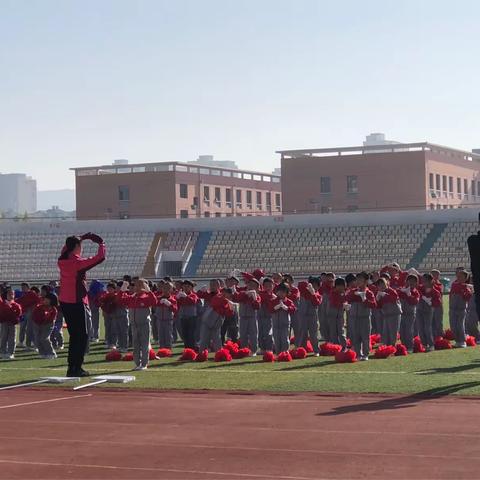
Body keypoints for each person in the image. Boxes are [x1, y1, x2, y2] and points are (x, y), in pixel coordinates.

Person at [58, 233, 106, 377]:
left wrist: (80, 238)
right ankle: (77, 368)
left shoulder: (62, 260)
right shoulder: (77, 264)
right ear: (77, 247)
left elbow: (66, 248)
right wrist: (101, 244)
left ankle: (71, 368)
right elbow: (100, 258)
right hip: (77, 301)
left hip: (65, 301)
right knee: (82, 336)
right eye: (81, 246)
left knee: (74, 336)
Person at [118, 278, 157, 371]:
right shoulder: (132, 297)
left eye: (140, 285)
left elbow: (154, 301)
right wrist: (122, 290)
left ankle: (144, 364)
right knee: (136, 345)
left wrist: (149, 291)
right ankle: (137, 363)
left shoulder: (146, 297)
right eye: (136, 285)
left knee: (144, 345)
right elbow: (120, 300)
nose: (137, 287)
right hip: (134, 325)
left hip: (144, 324)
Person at [346, 272, 376, 361]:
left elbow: (374, 305)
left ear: (366, 281)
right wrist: (347, 303)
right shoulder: (353, 291)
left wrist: (365, 300)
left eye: (361, 279)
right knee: (355, 337)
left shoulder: (369, 293)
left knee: (365, 337)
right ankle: (358, 354)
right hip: (353, 318)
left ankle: (365, 354)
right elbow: (347, 299)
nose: (358, 281)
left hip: (364, 318)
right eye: (357, 279)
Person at [233, 278, 261, 355]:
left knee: (253, 334)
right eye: (250, 284)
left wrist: (254, 298)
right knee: (243, 334)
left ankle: (254, 350)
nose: (251, 286)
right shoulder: (242, 293)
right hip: (242, 316)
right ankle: (244, 349)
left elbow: (257, 306)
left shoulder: (257, 296)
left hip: (252, 316)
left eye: (254, 285)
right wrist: (245, 294)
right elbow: (237, 298)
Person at [268, 283, 296, 354]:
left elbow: (293, 309)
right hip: (275, 324)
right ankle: (278, 353)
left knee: (285, 339)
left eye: (283, 292)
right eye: (280, 291)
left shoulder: (289, 301)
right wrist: (276, 307)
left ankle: (285, 352)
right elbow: (270, 309)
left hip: (285, 324)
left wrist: (286, 308)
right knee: (276, 339)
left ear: (286, 293)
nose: (281, 293)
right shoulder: (273, 300)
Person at [296, 277, 322, 354]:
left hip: (312, 317)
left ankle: (316, 350)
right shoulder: (304, 292)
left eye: (315, 285)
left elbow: (316, 303)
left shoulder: (318, 295)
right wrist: (308, 285)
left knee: (313, 335)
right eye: (312, 285)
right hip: (303, 316)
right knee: (302, 334)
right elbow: (300, 285)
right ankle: (302, 351)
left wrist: (313, 293)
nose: (313, 287)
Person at [449, 269, 473, 348]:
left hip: (461, 309)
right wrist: (466, 286)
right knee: (453, 326)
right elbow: (456, 287)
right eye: (458, 276)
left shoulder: (467, 288)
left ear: (465, 278)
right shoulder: (454, 284)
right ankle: (457, 341)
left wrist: (467, 290)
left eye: (461, 276)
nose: (458, 277)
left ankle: (462, 341)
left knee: (460, 325)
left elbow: (467, 297)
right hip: (452, 309)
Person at [417, 273, 441, 351]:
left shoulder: (435, 291)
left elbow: (437, 303)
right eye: (423, 281)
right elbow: (415, 290)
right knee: (420, 328)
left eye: (425, 281)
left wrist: (431, 302)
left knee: (427, 328)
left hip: (428, 311)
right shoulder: (420, 288)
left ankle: (431, 344)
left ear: (431, 281)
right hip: (419, 310)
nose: (424, 283)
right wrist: (423, 296)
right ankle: (424, 344)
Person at [375, 278, 402, 347]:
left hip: (394, 314)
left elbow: (393, 299)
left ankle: (392, 346)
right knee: (385, 331)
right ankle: (387, 346)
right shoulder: (380, 293)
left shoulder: (391, 291)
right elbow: (378, 306)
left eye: (383, 284)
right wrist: (377, 300)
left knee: (393, 331)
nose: (382, 286)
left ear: (386, 283)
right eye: (380, 285)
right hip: (386, 315)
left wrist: (385, 295)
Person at [32, 292, 58, 359]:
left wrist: (45, 318)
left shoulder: (53, 310)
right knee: (37, 339)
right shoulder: (39, 307)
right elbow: (34, 316)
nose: (45, 301)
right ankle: (42, 353)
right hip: (37, 324)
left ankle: (51, 353)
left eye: (48, 300)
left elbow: (51, 319)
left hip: (48, 325)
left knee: (44, 338)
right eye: (45, 299)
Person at [398, 274, 420, 351]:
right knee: (402, 331)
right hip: (401, 314)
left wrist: (409, 295)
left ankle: (410, 346)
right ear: (406, 282)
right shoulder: (401, 290)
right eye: (409, 281)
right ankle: (404, 346)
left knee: (409, 331)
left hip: (410, 314)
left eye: (413, 282)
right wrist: (403, 291)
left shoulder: (415, 292)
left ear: (416, 283)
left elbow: (414, 302)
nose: (411, 283)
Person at [0, 287, 22, 360]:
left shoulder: (16, 305)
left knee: (12, 339)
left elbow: (18, 314)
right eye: (9, 294)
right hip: (4, 323)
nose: (11, 295)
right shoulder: (2, 304)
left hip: (12, 324)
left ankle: (10, 353)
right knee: (3, 337)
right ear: (6, 295)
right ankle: (3, 352)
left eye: (12, 294)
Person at [177, 280, 199, 350]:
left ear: (191, 288)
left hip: (192, 317)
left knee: (191, 334)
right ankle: (187, 349)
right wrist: (177, 298)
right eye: (184, 286)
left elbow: (193, 301)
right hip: (183, 317)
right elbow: (177, 304)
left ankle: (192, 348)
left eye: (188, 286)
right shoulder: (180, 295)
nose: (186, 288)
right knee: (185, 334)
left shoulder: (193, 295)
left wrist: (186, 297)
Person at [327, 277, 348, 350]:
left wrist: (345, 304)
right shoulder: (333, 293)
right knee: (333, 333)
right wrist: (343, 304)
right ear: (338, 286)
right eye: (343, 286)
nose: (344, 288)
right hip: (332, 316)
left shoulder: (343, 294)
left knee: (341, 331)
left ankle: (344, 346)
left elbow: (345, 301)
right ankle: (335, 347)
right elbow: (334, 303)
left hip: (340, 316)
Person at [155, 281, 178, 349]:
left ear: (171, 289)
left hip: (168, 320)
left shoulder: (173, 299)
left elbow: (175, 309)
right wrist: (159, 302)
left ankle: (168, 348)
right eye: (164, 288)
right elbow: (154, 304)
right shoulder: (158, 298)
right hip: (159, 319)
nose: (166, 290)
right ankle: (162, 348)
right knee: (161, 334)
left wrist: (170, 304)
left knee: (168, 334)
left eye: (168, 288)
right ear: (162, 289)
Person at [258, 278, 276, 353]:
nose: (268, 287)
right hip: (260, 316)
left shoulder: (274, 296)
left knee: (269, 333)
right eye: (266, 286)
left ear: (273, 286)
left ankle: (269, 348)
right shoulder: (261, 294)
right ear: (263, 286)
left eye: (270, 285)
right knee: (260, 333)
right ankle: (262, 348)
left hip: (269, 317)